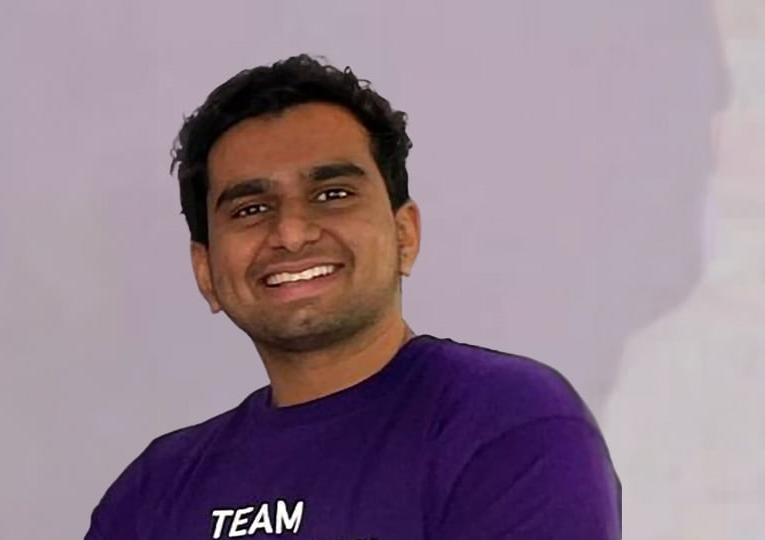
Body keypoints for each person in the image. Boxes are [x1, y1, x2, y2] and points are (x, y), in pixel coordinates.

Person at [85, 54, 621, 539]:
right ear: (206, 271)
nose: (292, 232)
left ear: (404, 235)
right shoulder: (153, 491)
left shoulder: (506, 423)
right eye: (250, 209)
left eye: (332, 194)